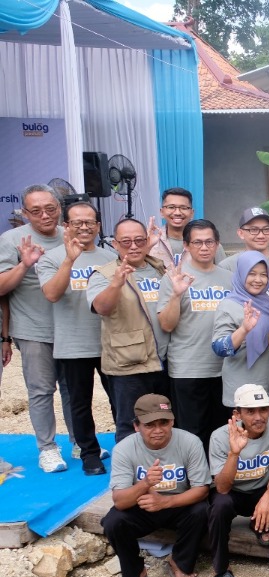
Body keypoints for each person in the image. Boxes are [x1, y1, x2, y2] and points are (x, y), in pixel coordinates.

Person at [101, 394, 210, 577]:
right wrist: (145, 484)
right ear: (136, 426)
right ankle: (134, 573)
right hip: (143, 506)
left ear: (172, 422)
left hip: (178, 503)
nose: (158, 430)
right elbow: (120, 501)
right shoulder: (124, 449)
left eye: (164, 423)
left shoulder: (190, 442)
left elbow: (202, 489)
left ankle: (179, 562)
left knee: (202, 510)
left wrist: (166, 501)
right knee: (113, 521)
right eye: (150, 425)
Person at [37, 201, 116, 475]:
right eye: (77, 222)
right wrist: (70, 260)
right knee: (80, 403)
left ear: (98, 226)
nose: (84, 227)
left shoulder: (109, 257)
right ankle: (89, 454)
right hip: (73, 344)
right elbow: (51, 294)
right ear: (66, 226)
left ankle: (126, 448)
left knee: (119, 400)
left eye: (90, 222)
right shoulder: (52, 257)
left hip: (109, 343)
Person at [0, 184, 72, 471]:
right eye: (36, 211)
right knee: (41, 390)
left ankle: (81, 441)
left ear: (59, 208)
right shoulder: (12, 239)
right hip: (33, 329)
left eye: (51, 209)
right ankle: (48, 448)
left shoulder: (70, 235)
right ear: (25, 213)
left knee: (75, 390)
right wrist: (24, 265)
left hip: (72, 329)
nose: (45, 215)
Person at [207, 384, 269, 577]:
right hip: (233, 493)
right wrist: (234, 453)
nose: (259, 417)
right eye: (250, 411)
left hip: (264, 489)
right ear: (237, 414)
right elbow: (222, 487)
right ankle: (221, 568)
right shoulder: (220, 436)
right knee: (219, 505)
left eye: (263, 409)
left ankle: (260, 523)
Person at [88, 218, 170, 442]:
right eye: (126, 242)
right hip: (129, 363)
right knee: (130, 423)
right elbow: (100, 307)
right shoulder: (104, 274)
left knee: (166, 420)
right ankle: (130, 474)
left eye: (139, 240)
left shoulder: (159, 269)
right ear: (115, 245)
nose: (133, 246)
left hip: (165, 359)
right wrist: (115, 284)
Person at [157, 219, 233, 448]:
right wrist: (176, 295)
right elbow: (166, 325)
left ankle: (219, 481)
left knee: (222, 431)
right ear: (186, 246)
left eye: (209, 241)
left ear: (217, 244)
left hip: (225, 370)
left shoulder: (229, 278)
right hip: (188, 369)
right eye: (197, 242)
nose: (204, 247)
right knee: (193, 433)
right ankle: (197, 481)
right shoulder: (174, 278)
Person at [212, 252, 269, 408]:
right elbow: (219, 348)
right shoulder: (229, 305)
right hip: (241, 387)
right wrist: (244, 330)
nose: (258, 280)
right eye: (252, 274)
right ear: (241, 274)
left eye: (263, 275)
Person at [219, 207, 269, 295]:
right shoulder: (227, 267)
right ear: (241, 233)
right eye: (254, 230)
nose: (261, 235)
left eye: (266, 229)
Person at [160, 188, 225, 265]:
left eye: (183, 208)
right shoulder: (150, 244)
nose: (177, 212)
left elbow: (223, 273)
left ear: (192, 213)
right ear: (162, 212)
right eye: (171, 207)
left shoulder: (210, 245)